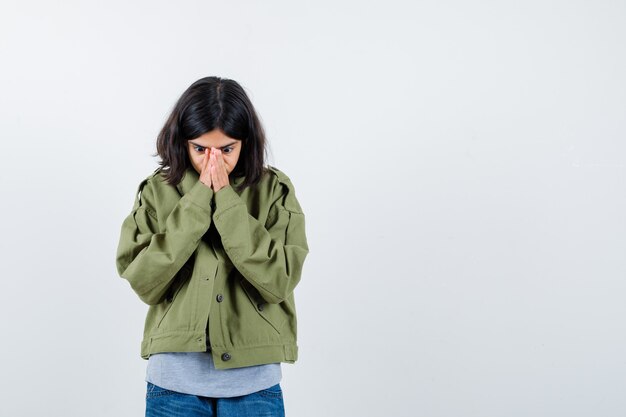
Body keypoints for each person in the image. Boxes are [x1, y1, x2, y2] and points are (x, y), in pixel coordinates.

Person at [115, 76, 309, 417]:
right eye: (201, 149)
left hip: (254, 384)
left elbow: (279, 279)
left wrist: (228, 201)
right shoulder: (156, 191)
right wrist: (199, 199)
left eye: (227, 149)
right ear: (183, 143)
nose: (213, 162)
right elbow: (143, 279)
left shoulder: (275, 190)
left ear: (246, 143)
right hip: (173, 387)